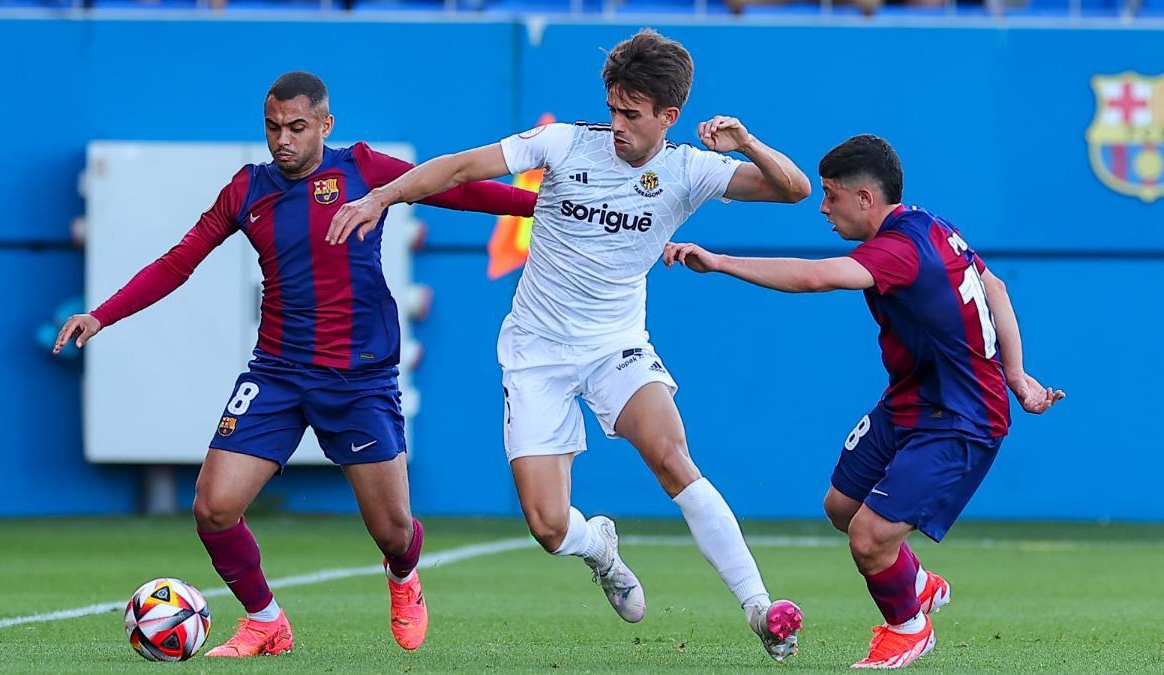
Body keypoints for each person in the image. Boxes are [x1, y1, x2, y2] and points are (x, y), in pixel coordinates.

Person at [323, 29, 811, 662]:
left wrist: (745, 142)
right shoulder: (563, 143)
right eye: (612, 109)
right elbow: (465, 167)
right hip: (537, 353)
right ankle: (599, 548)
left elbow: (794, 188)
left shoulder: (690, 168)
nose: (617, 126)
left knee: (671, 454)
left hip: (617, 346)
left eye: (631, 115)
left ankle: (759, 606)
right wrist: (382, 196)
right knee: (550, 527)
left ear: (670, 116)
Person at [53, 71, 537, 658]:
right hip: (278, 371)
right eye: (273, 127)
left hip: (361, 378)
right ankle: (265, 622)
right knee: (213, 506)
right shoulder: (247, 190)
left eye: (297, 128)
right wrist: (101, 315)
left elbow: (460, 191)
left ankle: (405, 575)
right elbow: (179, 262)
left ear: (325, 126)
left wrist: (544, 208)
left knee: (392, 531)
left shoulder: (363, 169)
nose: (283, 140)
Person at [663, 133, 1064, 669]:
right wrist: (1017, 373)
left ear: (866, 198)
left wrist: (719, 261)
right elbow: (995, 288)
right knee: (841, 507)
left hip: (961, 417)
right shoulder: (930, 225)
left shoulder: (900, 249)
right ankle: (916, 583)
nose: (822, 207)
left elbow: (813, 276)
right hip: (912, 401)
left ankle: (908, 628)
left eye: (830, 195)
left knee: (870, 538)